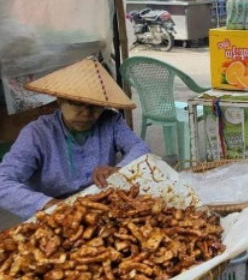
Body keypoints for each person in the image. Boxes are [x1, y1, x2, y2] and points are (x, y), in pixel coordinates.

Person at [0, 58, 151, 219]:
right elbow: (3, 182)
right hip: (53, 215)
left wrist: (119, 168)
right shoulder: (36, 134)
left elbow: (141, 149)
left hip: (102, 208)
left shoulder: (111, 121)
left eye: (95, 105)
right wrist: (47, 204)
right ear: (60, 100)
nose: (86, 113)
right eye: (77, 103)